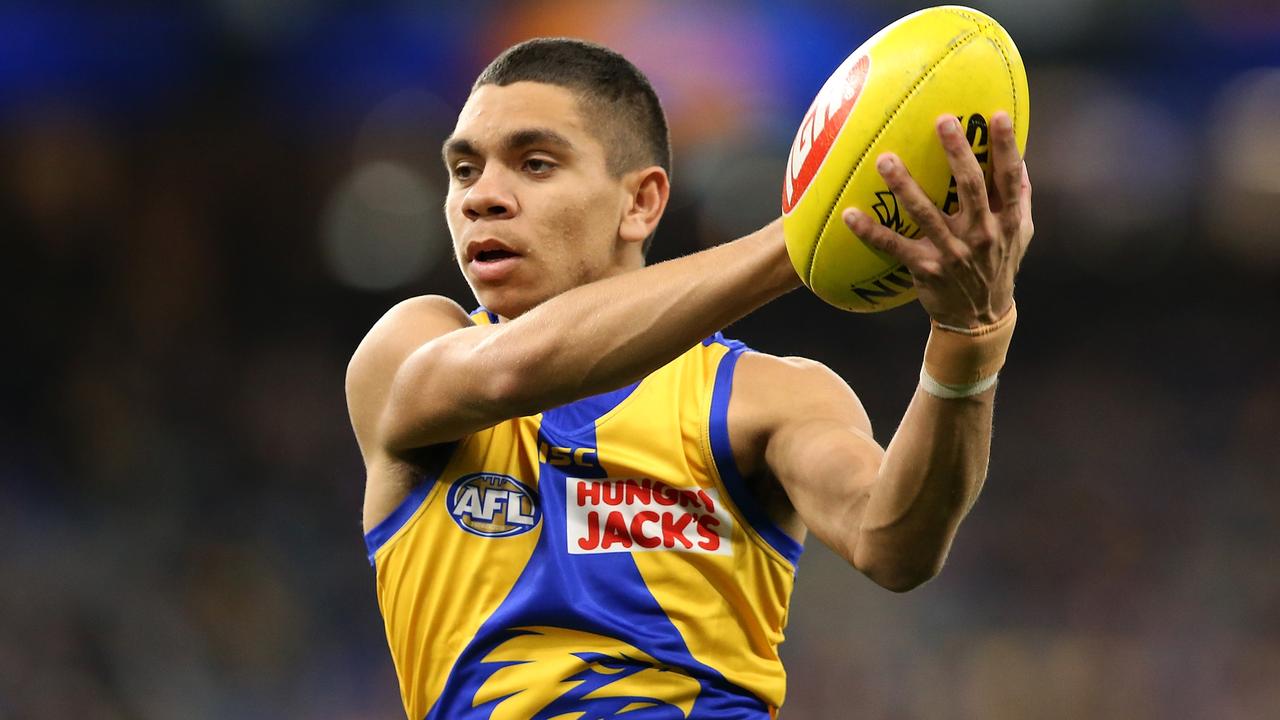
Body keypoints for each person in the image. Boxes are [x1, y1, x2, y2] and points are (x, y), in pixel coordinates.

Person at [345, 37, 1032, 719]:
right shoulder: (412, 348)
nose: (482, 197)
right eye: (464, 171)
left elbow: (895, 545)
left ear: (641, 203)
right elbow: (511, 373)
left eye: (535, 164)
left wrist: (968, 340)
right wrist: (806, 236)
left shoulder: (768, 396)